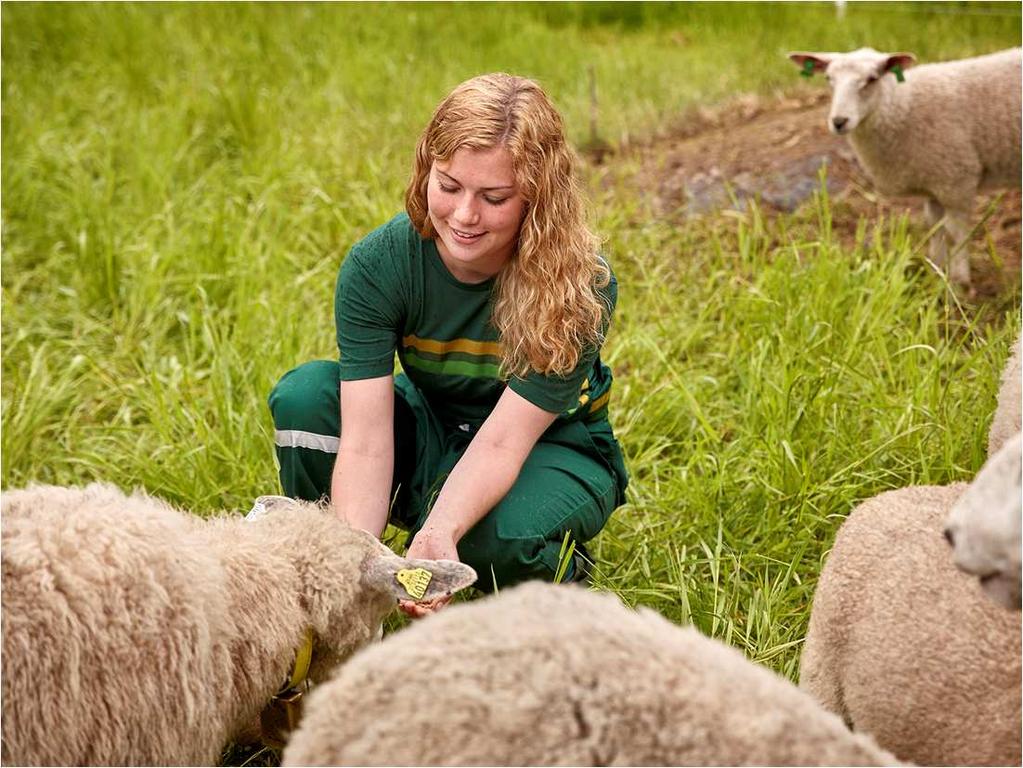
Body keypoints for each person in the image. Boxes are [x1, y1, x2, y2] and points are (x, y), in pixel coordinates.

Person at [268, 72, 628, 617]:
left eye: (494, 197)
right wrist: (358, 563)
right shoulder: (380, 265)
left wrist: (440, 534)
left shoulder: (579, 286)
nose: (463, 216)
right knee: (305, 400)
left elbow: (504, 443)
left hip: (550, 446)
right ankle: (328, 577)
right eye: (449, 185)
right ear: (426, 170)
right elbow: (365, 438)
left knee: (495, 544)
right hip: (438, 424)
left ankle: (556, 562)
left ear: (538, 196)